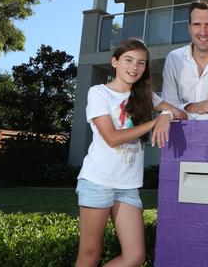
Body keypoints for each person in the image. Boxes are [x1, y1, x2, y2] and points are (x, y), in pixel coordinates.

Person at [75, 38, 184, 267]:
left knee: (135, 257)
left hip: (127, 187)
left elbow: (180, 114)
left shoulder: (146, 96)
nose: (134, 67)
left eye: (141, 63)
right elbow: (112, 138)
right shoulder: (99, 93)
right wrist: (155, 122)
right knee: (90, 254)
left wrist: (165, 114)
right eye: (128, 60)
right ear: (114, 62)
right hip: (97, 182)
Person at [156, 0, 208, 123]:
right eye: (197, 24)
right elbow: (168, 106)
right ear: (189, 28)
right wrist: (193, 107)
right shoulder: (174, 58)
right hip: (183, 136)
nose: (203, 32)